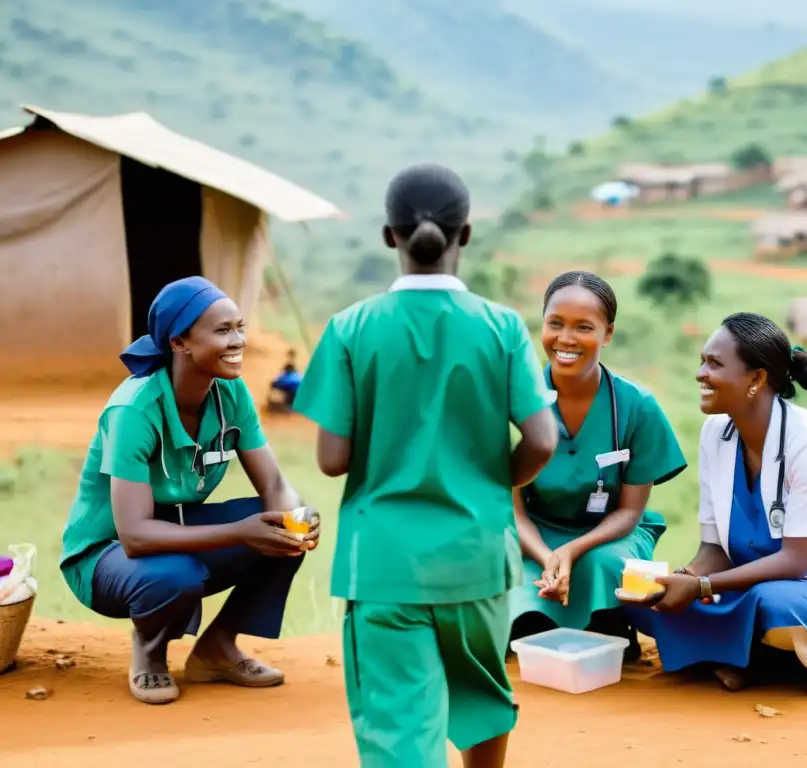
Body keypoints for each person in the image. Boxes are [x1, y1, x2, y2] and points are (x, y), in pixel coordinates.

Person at [292, 163, 558, 768]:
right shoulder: (501, 327)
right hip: (478, 557)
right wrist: (494, 482)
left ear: (391, 236)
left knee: (398, 727)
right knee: (484, 697)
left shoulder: (350, 328)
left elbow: (332, 461)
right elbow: (541, 440)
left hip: (383, 565)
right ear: (465, 234)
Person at [622, 312, 807, 698]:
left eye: (714, 363)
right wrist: (681, 579)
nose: (700, 373)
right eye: (702, 360)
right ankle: (761, 656)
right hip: (747, 583)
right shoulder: (717, 432)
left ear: (756, 379)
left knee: (773, 604)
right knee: (642, 599)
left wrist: (701, 586)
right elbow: (714, 549)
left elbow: (797, 563)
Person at [59, 276, 319, 705]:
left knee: (283, 529)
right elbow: (136, 537)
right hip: (107, 554)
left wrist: (292, 523)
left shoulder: (231, 393)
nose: (238, 340)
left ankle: (216, 648)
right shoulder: (134, 409)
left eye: (240, 327)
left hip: (171, 529)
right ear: (180, 343)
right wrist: (240, 532)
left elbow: (272, 483)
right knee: (176, 575)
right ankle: (150, 654)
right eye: (222, 331)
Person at [510, 271, 687, 657]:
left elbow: (629, 512)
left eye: (584, 327)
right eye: (555, 323)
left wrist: (572, 551)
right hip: (532, 536)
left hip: (608, 535)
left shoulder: (637, 405)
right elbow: (513, 511)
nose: (566, 339)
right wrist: (548, 558)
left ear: (607, 334)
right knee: (506, 572)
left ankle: (609, 627)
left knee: (605, 564)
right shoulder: (515, 403)